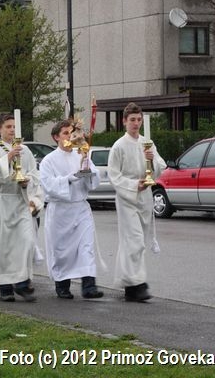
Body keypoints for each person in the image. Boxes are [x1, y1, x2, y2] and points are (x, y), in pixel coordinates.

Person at [107, 102, 166, 302]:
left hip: (145, 198)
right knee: (134, 240)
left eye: (139, 119)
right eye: (132, 120)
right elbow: (114, 176)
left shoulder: (147, 143)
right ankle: (138, 284)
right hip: (127, 198)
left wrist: (152, 159)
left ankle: (130, 285)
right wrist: (134, 185)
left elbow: (160, 166)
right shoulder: (119, 146)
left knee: (136, 242)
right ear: (124, 121)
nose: (136, 123)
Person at [40, 120, 104, 299]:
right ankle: (62, 285)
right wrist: (70, 178)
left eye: (71, 132)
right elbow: (48, 185)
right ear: (56, 137)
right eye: (65, 133)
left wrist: (87, 171)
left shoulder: (81, 154)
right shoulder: (48, 160)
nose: (70, 136)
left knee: (86, 247)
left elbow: (93, 179)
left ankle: (89, 287)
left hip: (80, 208)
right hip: (60, 211)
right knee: (62, 251)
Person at [0, 112, 41, 302]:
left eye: (14, 127)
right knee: (4, 246)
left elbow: (34, 174)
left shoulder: (25, 150)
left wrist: (27, 182)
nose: (12, 130)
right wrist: (8, 157)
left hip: (20, 201)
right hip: (2, 201)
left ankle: (22, 282)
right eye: (8, 127)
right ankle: (5, 287)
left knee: (27, 241)